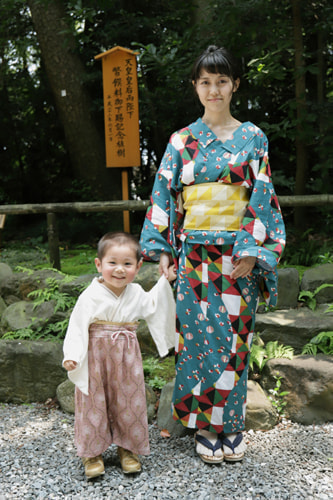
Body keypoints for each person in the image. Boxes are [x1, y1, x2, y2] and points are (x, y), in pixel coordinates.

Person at [140, 45, 286, 464]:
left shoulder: (252, 137)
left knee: (236, 341)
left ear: (235, 85)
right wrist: (162, 250)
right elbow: (164, 195)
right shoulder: (181, 141)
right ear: (195, 87)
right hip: (194, 258)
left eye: (222, 81)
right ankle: (206, 425)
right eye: (205, 82)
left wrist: (253, 252)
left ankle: (232, 424)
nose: (214, 89)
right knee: (198, 341)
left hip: (237, 256)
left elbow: (262, 195)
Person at [63, 232, 176, 479]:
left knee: (129, 400)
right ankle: (92, 452)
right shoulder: (90, 296)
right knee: (93, 401)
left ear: (138, 266)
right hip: (95, 355)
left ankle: (128, 448)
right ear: (98, 264)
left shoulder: (135, 293)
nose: (119, 270)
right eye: (112, 263)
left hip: (126, 355)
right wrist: (72, 355)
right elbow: (77, 325)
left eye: (127, 264)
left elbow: (155, 306)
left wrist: (165, 283)